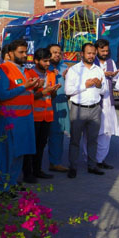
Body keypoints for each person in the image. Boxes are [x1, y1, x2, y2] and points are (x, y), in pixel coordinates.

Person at [0, 39, 39, 189]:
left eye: (26, 52)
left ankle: (12, 183)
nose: (25, 55)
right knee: (7, 155)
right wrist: (24, 86)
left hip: (25, 117)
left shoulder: (24, 70)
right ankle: (2, 187)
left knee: (19, 153)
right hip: (10, 119)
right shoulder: (4, 69)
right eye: (21, 52)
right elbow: (2, 95)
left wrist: (32, 87)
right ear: (10, 53)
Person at [64, 43, 106, 178]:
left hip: (95, 109)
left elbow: (104, 91)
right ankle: (73, 167)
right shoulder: (74, 70)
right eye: (88, 53)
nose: (91, 56)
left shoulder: (98, 70)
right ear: (82, 54)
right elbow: (68, 90)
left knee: (93, 140)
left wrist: (99, 86)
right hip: (78, 109)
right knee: (75, 140)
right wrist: (85, 85)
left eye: (93, 53)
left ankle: (92, 166)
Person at [23, 48, 60, 183]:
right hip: (33, 116)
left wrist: (54, 91)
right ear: (36, 61)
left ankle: (37, 170)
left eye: (49, 61)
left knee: (41, 145)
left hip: (47, 115)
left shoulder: (51, 74)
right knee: (30, 146)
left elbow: (52, 96)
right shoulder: (29, 74)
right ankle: (27, 173)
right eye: (44, 61)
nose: (47, 63)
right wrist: (44, 92)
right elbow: (27, 96)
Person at [90, 39, 118, 170]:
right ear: (96, 51)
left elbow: (117, 80)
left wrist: (113, 76)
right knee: (93, 133)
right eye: (103, 51)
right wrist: (103, 74)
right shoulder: (91, 63)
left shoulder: (111, 62)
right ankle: (90, 159)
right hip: (95, 103)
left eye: (107, 50)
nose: (105, 53)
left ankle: (100, 159)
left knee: (107, 133)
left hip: (108, 103)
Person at [46, 44, 70, 173]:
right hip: (47, 105)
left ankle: (55, 162)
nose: (57, 55)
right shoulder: (44, 67)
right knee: (42, 135)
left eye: (59, 53)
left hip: (61, 103)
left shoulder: (65, 68)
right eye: (54, 52)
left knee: (58, 134)